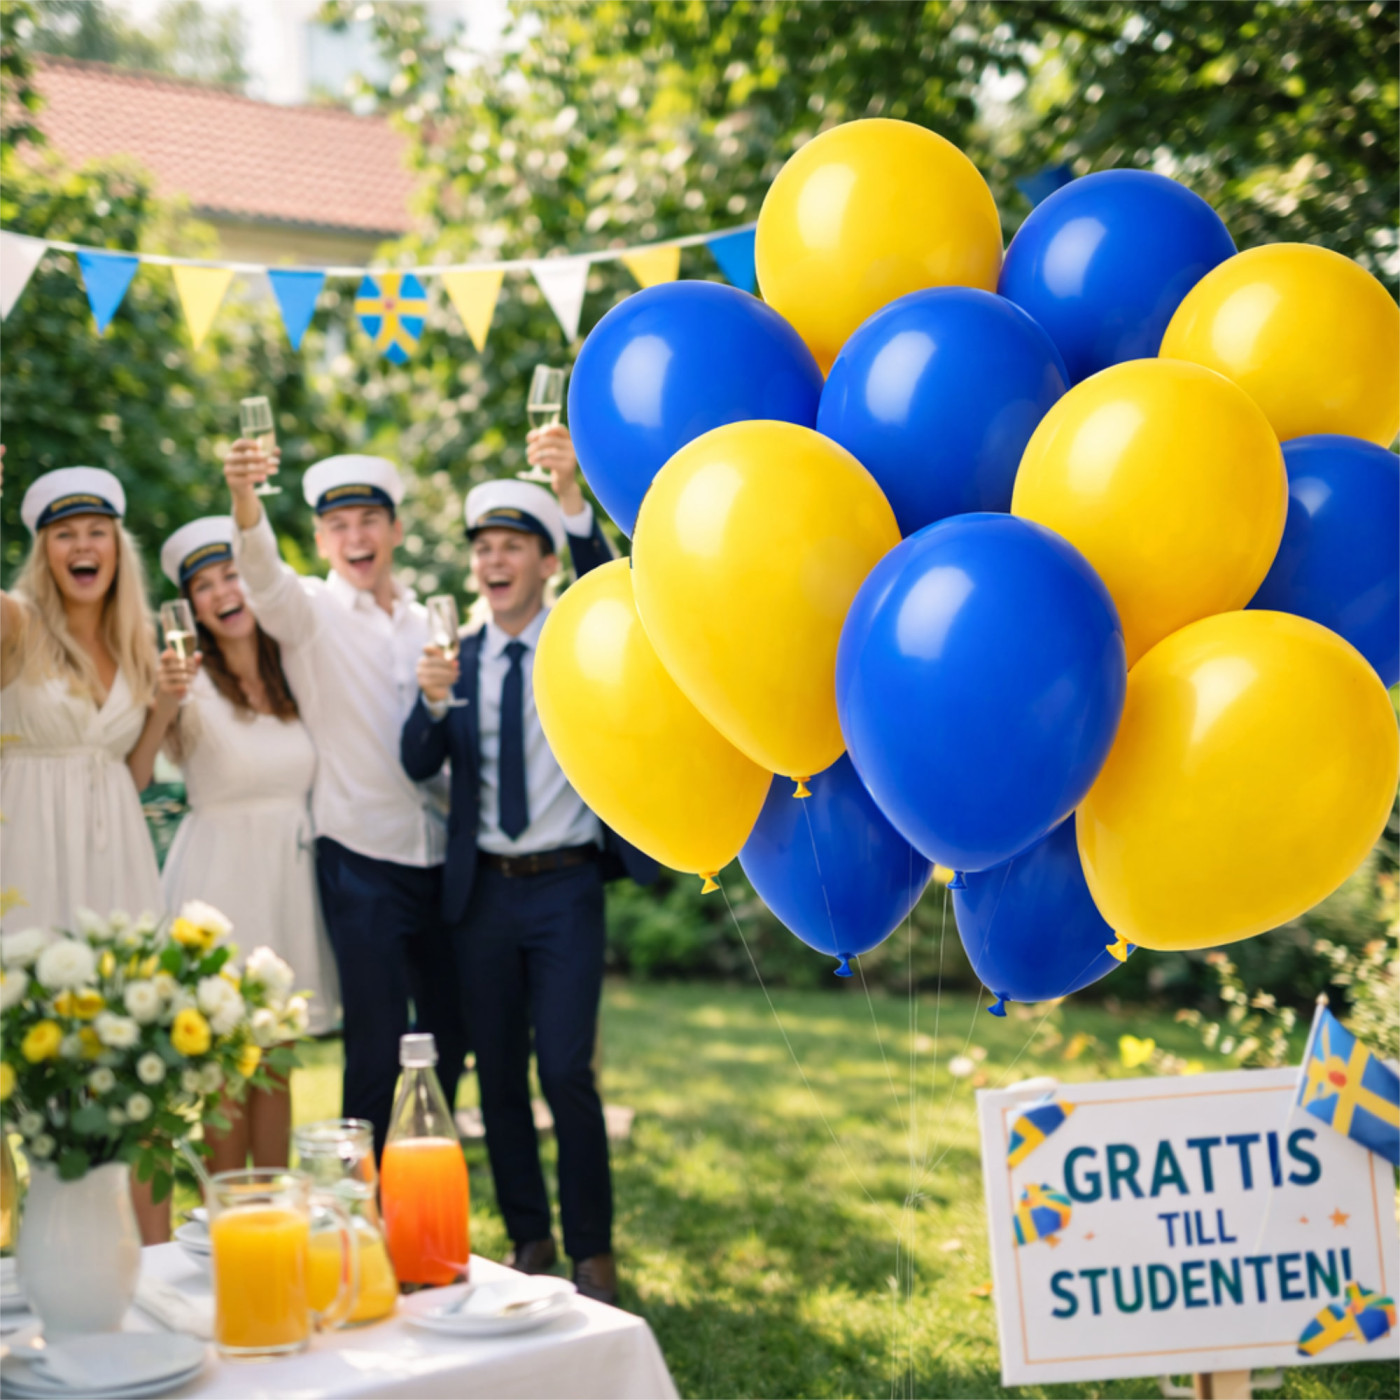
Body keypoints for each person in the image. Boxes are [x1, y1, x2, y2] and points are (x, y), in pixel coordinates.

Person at [400, 425, 657, 1306]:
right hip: (483, 899)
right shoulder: (454, 654)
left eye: (514, 546)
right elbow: (415, 762)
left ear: (546, 563)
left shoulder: (578, 637)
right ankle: (531, 1240)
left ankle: (593, 1250)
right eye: (484, 548)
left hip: (566, 888)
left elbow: (611, 585)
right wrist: (432, 706)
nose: (494, 560)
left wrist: (576, 497)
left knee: (567, 1073)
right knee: (499, 1077)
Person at [222, 441, 464, 1156]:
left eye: (369, 520)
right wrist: (245, 497)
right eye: (339, 526)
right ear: (322, 540)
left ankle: (422, 1191)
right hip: (359, 856)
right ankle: (357, 1217)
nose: (356, 538)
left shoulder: (429, 622)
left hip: (438, 855)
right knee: (376, 1041)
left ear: (394, 530)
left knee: (450, 1037)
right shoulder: (310, 612)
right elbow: (261, 575)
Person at [1, 463, 194, 1243]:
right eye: (63, 536)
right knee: (37, 1059)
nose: (82, 547)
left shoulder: (138, 640)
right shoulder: (16, 622)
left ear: (117, 549)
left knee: (133, 1064)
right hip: (31, 852)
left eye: (96, 534)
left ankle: (149, 1256)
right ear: (44, 552)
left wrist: (166, 709)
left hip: (117, 862)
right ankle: (39, 1251)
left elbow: (136, 773)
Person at [157, 516, 339, 1172]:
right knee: (228, 1062)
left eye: (230, 574)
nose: (222, 592)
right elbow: (144, 759)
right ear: (192, 606)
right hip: (222, 881)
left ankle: (274, 1207)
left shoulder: (293, 668)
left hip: (287, 879)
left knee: (276, 1058)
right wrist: (161, 702)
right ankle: (230, 1209)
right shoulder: (186, 680)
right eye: (203, 585)